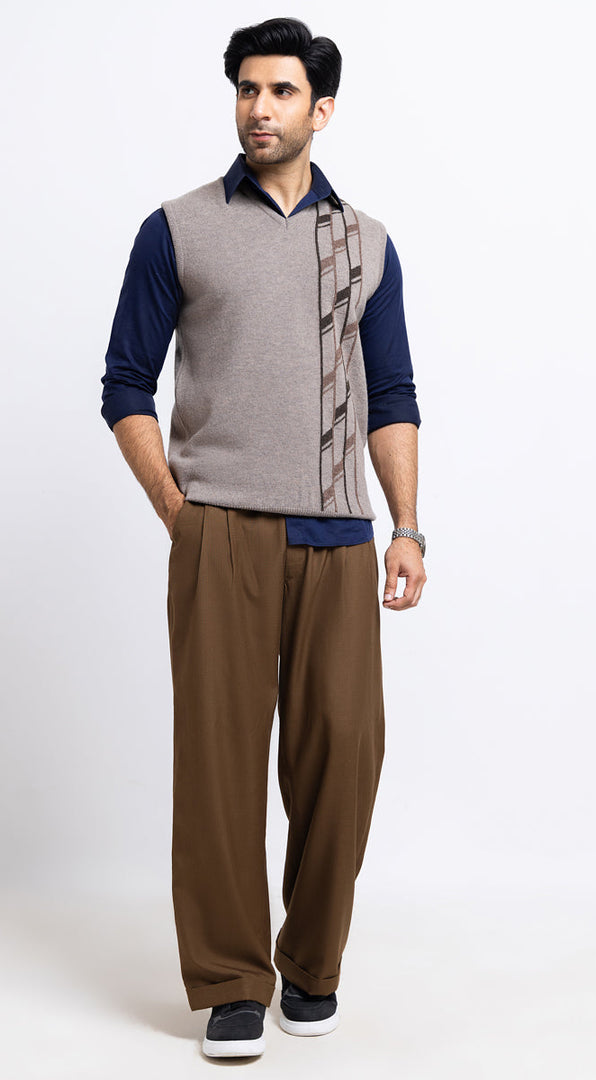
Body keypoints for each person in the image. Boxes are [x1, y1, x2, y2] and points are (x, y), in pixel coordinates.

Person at [100, 16, 426, 1060]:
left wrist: (408, 527)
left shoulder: (366, 242)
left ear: (320, 109)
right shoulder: (178, 228)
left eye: (281, 91)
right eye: (247, 88)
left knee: (346, 753)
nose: (259, 108)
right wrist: (178, 512)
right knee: (219, 764)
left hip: (340, 534)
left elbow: (392, 395)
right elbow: (124, 384)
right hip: (220, 533)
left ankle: (311, 966)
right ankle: (231, 983)